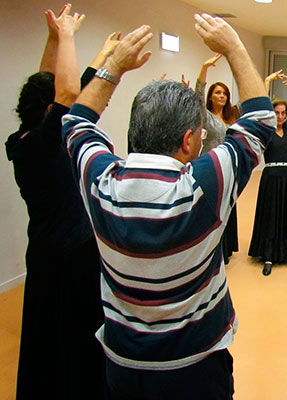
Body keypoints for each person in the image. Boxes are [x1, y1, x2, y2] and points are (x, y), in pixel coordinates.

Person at [62, 14, 275, 399]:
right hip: (194, 365)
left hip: (121, 361)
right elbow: (261, 121)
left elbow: (76, 123)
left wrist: (113, 67)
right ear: (191, 140)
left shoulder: (100, 181)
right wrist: (234, 47)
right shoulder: (203, 187)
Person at [5, 5, 109, 398]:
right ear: (49, 110)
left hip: (45, 251)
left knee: (48, 330)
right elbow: (68, 93)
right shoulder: (49, 142)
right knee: (78, 332)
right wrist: (66, 36)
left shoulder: (22, 140)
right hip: (73, 253)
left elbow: (58, 87)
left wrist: (52, 40)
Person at [249, 70, 287, 276]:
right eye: (277, 113)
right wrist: (266, 82)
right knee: (271, 216)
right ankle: (269, 255)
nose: (280, 116)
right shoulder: (266, 129)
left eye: (283, 113)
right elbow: (259, 108)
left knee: (285, 214)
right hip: (271, 180)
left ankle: (285, 252)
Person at [195, 52, 241, 264]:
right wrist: (204, 68)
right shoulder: (204, 114)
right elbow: (197, 94)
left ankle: (226, 248)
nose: (221, 96)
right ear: (211, 97)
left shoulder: (233, 115)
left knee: (228, 205)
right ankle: (209, 248)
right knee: (211, 208)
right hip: (210, 165)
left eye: (224, 93)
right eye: (217, 93)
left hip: (229, 166)